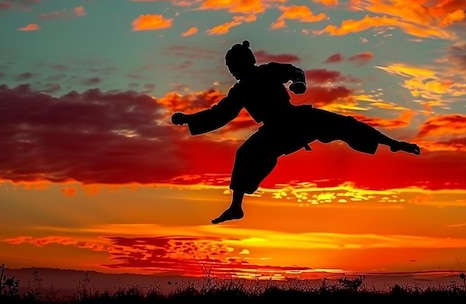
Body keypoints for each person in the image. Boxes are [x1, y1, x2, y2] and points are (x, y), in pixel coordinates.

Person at [171, 40, 421, 224]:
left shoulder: (268, 71)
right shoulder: (240, 91)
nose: (232, 71)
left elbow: (294, 71)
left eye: (233, 65)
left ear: (245, 62)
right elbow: (219, 115)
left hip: (295, 120)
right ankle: (236, 206)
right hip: (274, 131)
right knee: (245, 153)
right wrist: (187, 119)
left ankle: (394, 143)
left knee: (345, 124)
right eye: (229, 67)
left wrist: (298, 82)